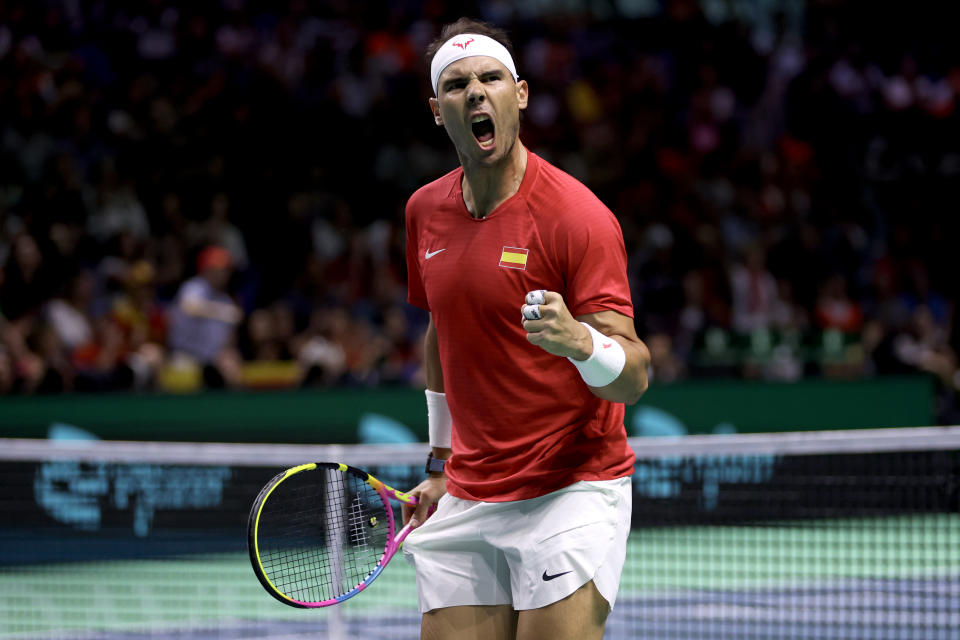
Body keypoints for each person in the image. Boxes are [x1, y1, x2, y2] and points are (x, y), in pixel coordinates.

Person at [400, 18, 651, 640]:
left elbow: (635, 376)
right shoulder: (424, 211)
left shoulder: (576, 217)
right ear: (438, 110)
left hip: (569, 490)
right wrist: (440, 460)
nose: (476, 93)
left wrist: (580, 342)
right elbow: (442, 331)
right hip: (471, 491)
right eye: (457, 85)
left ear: (521, 95)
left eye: (491, 78)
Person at [166, 245, 243, 388]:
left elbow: (228, 338)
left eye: (225, 270)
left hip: (212, 361)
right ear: (206, 269)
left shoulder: (224, 299)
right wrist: (224, 312)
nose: (223, 274)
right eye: (218, 269)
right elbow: (190, 307)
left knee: (231, 366)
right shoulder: (194, 287)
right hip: (186, 356)